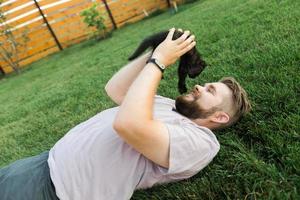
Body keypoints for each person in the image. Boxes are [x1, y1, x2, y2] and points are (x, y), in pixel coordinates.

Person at [0, 28, 251, 200]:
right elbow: (116, 90)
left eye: (210, 90)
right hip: (37, 164)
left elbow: (129, 125)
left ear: (219, 117)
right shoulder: (166, 105)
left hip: (57, 191)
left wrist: (160, 63)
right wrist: (155, 51)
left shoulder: (201, 142)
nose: (199, 85)